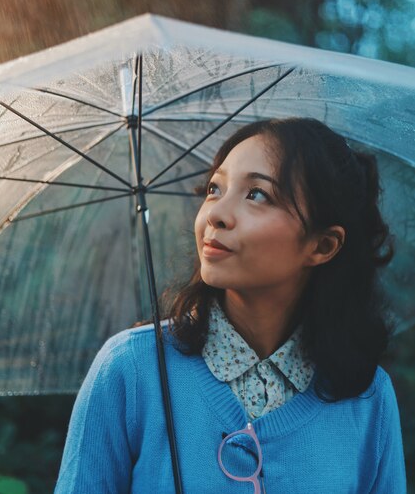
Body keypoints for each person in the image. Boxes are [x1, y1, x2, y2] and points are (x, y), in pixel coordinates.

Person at [54, 117, 407, 493]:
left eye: (257, 194)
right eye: (214, 188)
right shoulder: (132, 370)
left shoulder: (368, 399)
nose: (216, 215)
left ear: (322, 246)